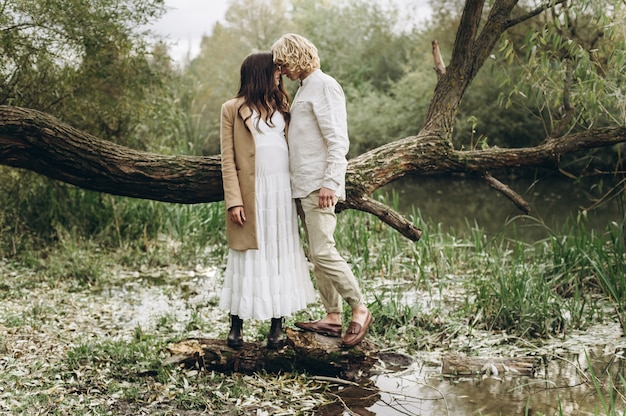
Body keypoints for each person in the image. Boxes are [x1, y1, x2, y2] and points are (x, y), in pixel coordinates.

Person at [271, 34, 373, 348]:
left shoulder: (324, 85)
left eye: (284, 63)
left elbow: (337, 139)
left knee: (323, 251)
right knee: (317, 254)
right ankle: (332, 316)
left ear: (298, 56)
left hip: (319, 184)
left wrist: (331, 180)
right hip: (303, 184)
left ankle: (359, 307)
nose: (282, 70)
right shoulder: (305, 88)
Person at [219, 51, 316, 350]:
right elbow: (227, 160)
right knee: (246, 255)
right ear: (259, 73)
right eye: (274, 69)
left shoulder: (282, 106)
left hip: (282, 193)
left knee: (279, 254)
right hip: (252, 193)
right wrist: (234, 201)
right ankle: (237, 325)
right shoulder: (232, 109)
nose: (279, 74)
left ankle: (277, 325)